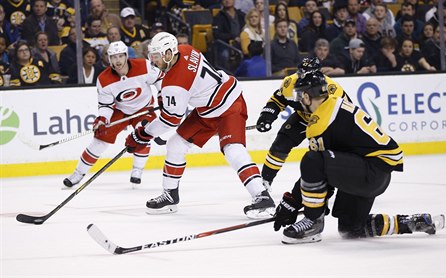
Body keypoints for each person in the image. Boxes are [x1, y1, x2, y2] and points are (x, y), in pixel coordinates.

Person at [271, 70, 444, 244]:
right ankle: (410, 222)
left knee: (311, 159)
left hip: (369, 172)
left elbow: (318, 169)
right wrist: (296, 202)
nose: (299, 101)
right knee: (350, 228)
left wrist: (294, 202)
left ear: (308, 96)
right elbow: (327, 173)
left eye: (300, 95)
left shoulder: (320, 122)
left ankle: (313, 224)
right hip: (374, 171)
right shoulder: (334, 103)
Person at [124, 32, 276, 218]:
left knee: (233, 149)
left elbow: (170, 120)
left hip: (229, 104)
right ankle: (170, 195)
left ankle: (262, 197)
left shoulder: (175, 84)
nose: (153, 61)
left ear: (169, 53)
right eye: (152, 56)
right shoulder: (185, 49)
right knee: (176, 144)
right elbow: (181, 83)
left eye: (156, 56)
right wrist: (165, 96)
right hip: (208, 107)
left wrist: (142, 135)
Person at [63, 41, 163, 188]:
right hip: (120, 110)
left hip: (144, 108)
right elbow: (106, 105)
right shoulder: (104, 79)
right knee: (100, 140)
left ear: (126, 56)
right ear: (109, 59)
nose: (118, 61)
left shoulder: (144, 66)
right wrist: (103, 118)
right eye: (114, 57)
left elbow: (160, 79)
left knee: (143, 133)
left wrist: (162, 96)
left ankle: (137, 170)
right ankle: (78, 173)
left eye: (120, 56)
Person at [256, 57, 350, 191]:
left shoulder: (332, 88)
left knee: (325, 156)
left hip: (325, 122)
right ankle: (265, 180)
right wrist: (266, 116)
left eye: (308, 74)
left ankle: (337, 184)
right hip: (303, 118)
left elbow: (347, 110)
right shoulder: (289, 83)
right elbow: (277, 100)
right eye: (301, 73)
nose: (302, 77)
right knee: (281, 144)